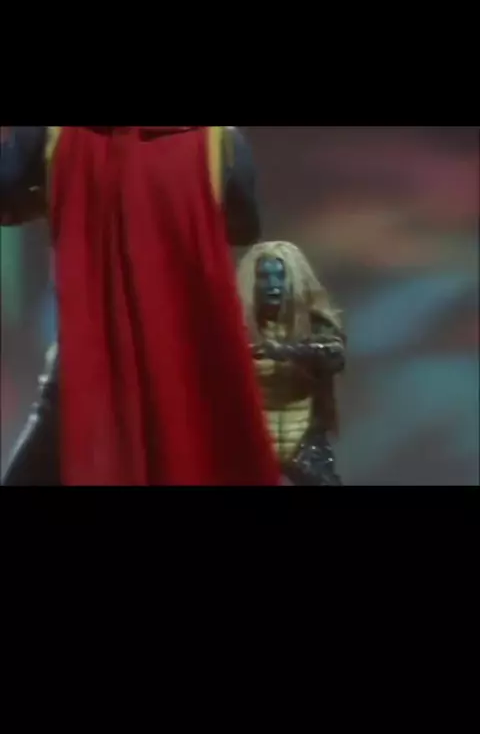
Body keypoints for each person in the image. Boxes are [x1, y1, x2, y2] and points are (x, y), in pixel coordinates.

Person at [1, 126, 279, 487]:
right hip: (184, 360)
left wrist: (58, 196)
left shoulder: (58, 134)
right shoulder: (218, 140)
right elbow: (244, 226)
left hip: (93, 359)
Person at [237, 241, 346, 485]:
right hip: (252, 439)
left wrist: (285, 350)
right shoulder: (238, 326)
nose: (273, 285)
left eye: (280, 276)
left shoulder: (314, 322)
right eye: (264, 277)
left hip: (303, 438)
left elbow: (334, 356)